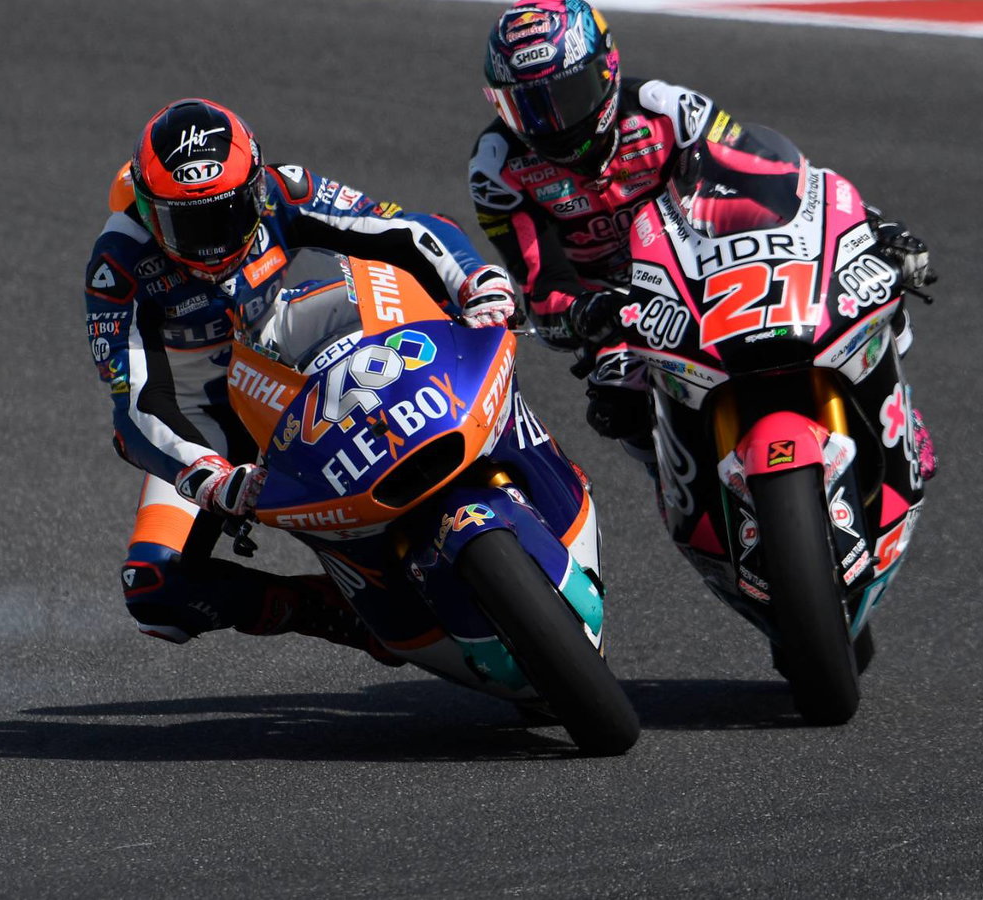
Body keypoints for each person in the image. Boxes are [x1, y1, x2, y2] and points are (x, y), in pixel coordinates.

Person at [86, 98, 517, 662]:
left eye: (226, 214)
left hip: (284, 347)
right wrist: (202, 473)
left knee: (434, 302)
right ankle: (334, 610)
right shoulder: (117, 264)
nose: (212, 243)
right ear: (148, 210)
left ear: (254, 186)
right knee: (154, 589)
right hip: (201, 419)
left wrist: (476, 282)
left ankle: (504, 446)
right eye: (184, 223)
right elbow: (134, 402)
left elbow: (402, 227)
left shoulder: (282, 188)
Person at [467, 0, 935, 470]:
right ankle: (681, 490)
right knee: (619, 406)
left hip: (707, 266)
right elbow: (541, 284)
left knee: (863, 292)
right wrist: (585, 313)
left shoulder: (669, 111)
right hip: (617, 309)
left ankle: (900, 416)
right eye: (530, 108)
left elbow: (774, 177)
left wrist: (869, 226)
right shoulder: (497, 167)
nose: (555, 124)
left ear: (606, 69)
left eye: (567, 96)